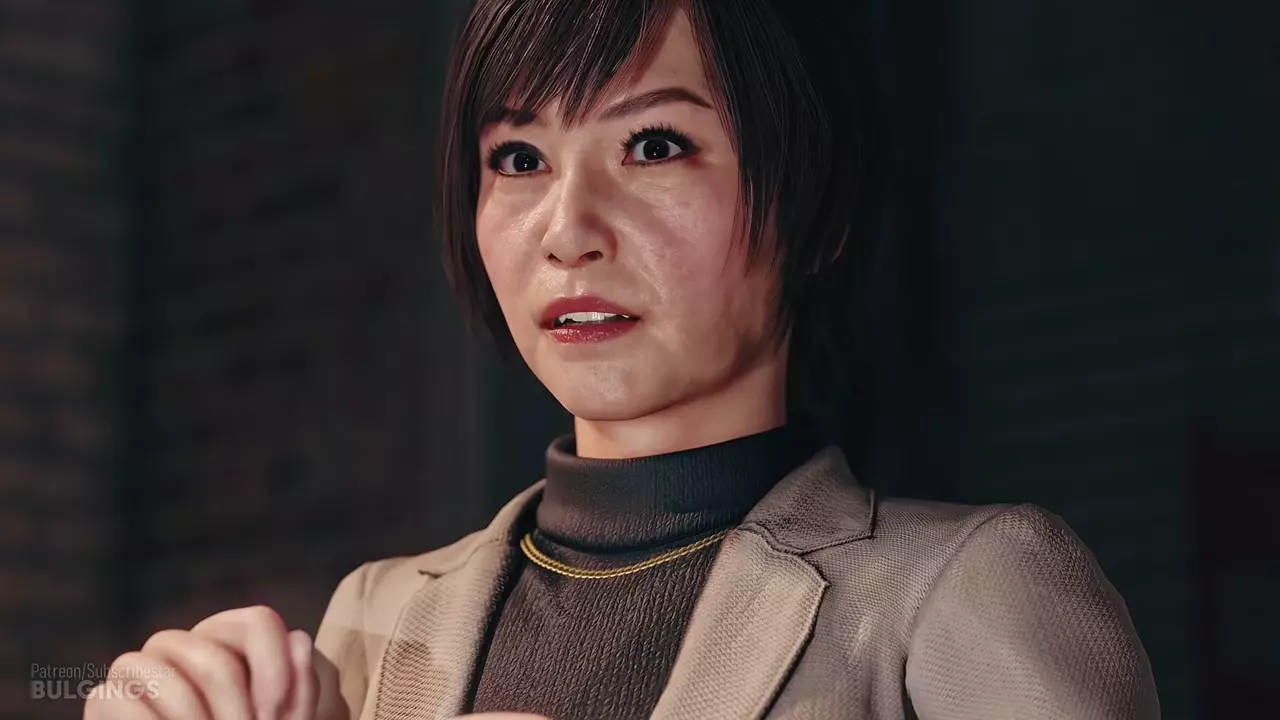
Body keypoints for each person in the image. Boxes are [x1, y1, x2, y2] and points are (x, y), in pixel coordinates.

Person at [87, 0, 1161, 719]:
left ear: (817, 209)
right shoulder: (375, 619)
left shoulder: (967, 590)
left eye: (654, 146)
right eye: (518, 157)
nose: (568, 230)